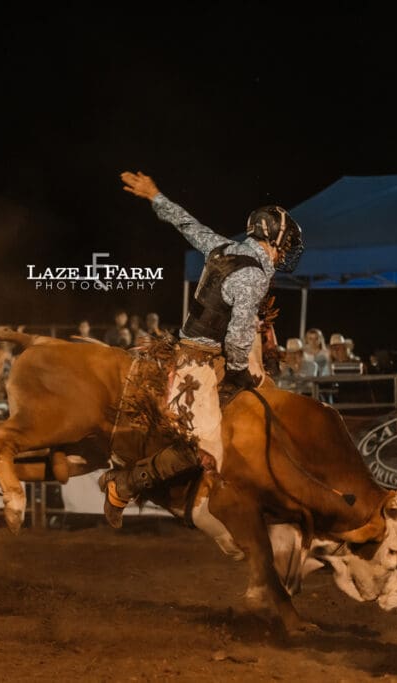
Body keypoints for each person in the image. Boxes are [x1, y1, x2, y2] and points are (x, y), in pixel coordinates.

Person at [102, 170, 303, 527]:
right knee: (204, 446)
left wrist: (154, 195)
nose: (283, 254)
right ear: (274, 240)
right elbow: (240, 334)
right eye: (283, 246)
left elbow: (186, 224)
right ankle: (125, 485)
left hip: (195, 350)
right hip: (198, 362)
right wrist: (240, 372)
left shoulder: (223, 247)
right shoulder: (254, 275)